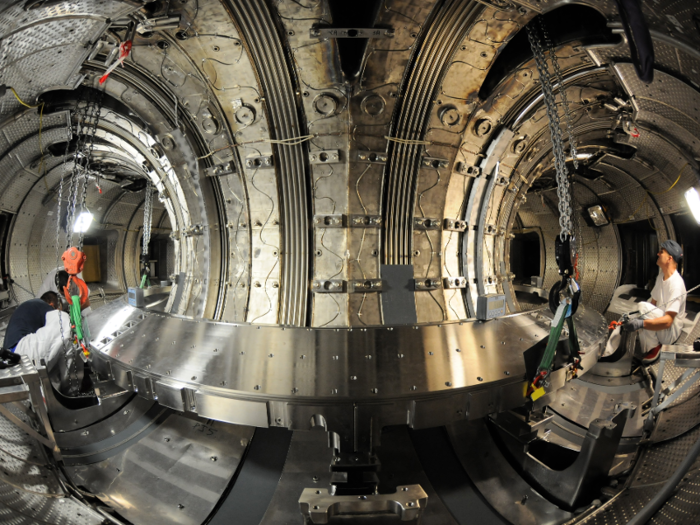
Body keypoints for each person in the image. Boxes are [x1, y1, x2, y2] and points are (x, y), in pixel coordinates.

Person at [623, 240, 687, 364]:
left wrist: (641, 324)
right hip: (660, 324)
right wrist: (635, 318)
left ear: (669, 258)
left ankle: (654, 348)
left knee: (642, 307)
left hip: (669, 332)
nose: (658, 254)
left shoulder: (676, 285)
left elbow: (668, 321)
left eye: (661, 252)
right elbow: (653, 304)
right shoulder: (661, 276)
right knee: (638, 310)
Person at [3, 292, 71, 368]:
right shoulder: (43, 305)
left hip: (12, 355)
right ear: (51, 305)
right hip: (23, 347)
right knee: (62, 319)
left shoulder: (32, 307)